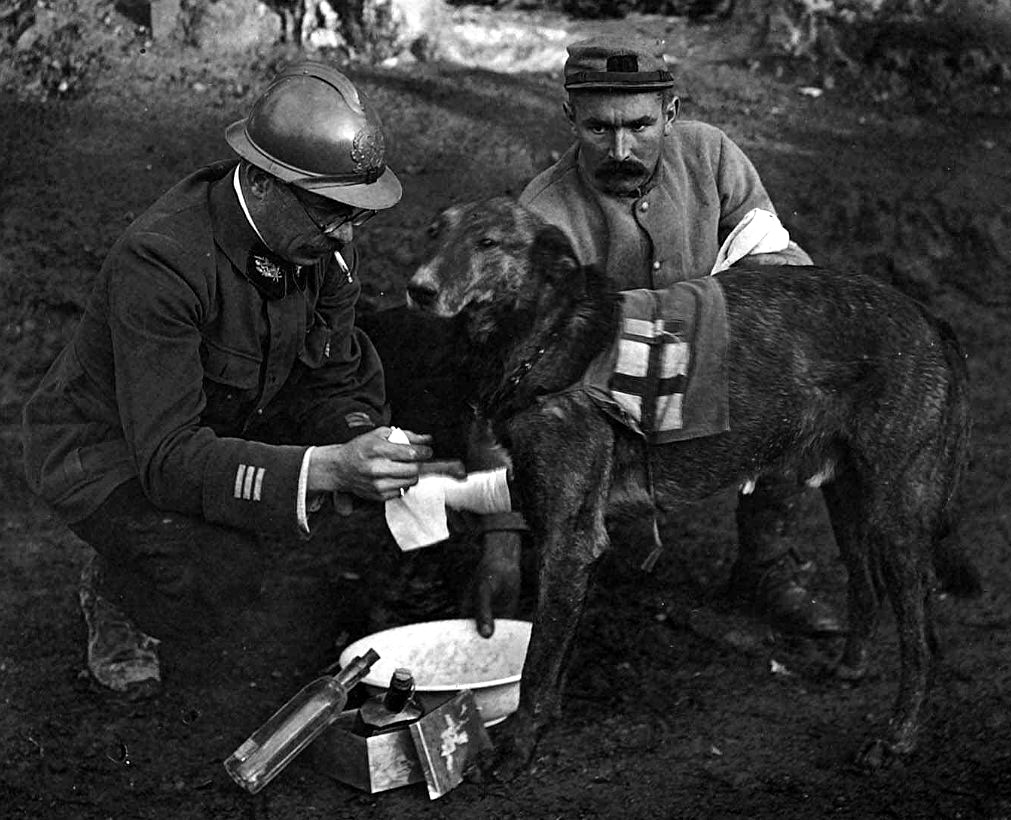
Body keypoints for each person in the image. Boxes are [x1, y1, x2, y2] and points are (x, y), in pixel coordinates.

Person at [21, 61, 453, 699]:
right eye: (332, 211)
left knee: (417, 352)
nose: (347, 233)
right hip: (113, 453)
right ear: (261, 179)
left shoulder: (322, 238)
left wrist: (364, 438)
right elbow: (166, 456)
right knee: (217, 575)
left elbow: (333, 369)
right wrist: (327, 469)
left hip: (231, 419)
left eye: (357, 214)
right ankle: (114, 587)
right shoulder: (162, 261)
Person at [509, 34, 843, 636]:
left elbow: (776, 256)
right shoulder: (541, 215)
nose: (620, 147)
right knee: (595, 526)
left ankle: (765, 564)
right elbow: (523, 366)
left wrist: (775, 277)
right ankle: (571, 571)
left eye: (639, 125)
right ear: (569, 118)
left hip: (719, 361)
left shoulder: (712, 155)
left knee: (795, 378)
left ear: (670, 112)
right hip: (609, 398)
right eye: (598, 129)